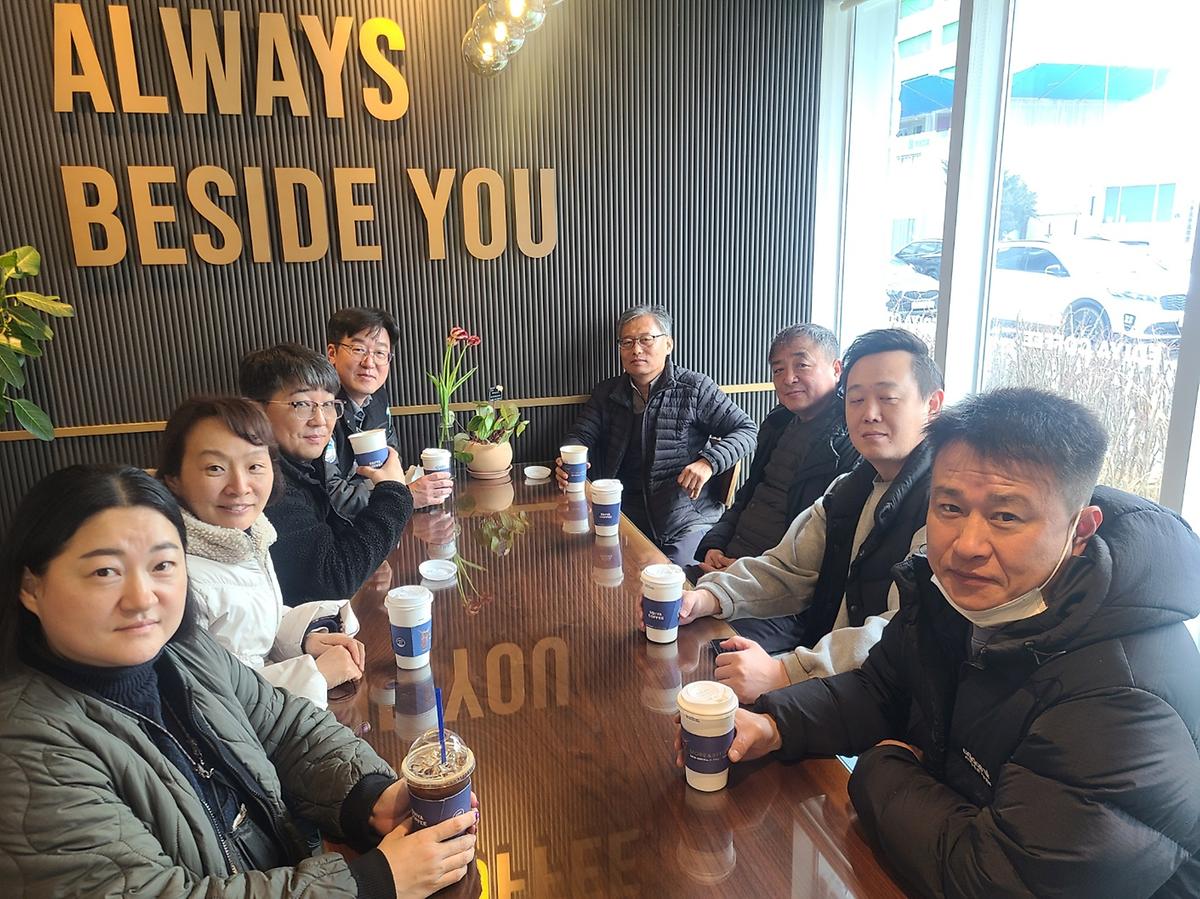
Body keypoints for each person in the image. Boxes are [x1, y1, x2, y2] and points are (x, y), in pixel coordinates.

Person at [708, 388, 1200, 897]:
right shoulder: (954, 595)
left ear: (1081, 530)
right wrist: (775, 724)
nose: (966, 545)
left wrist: (882, 768)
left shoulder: (1125, 696)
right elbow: (881, 688)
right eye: (949, 507)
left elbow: (996, 882)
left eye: (1006, 516)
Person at [0, 465, 477, 897]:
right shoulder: (26, 750)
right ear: (30, 587)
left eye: (162, 565)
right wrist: (371, 883)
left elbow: (284, 728)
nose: (141, 597)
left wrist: (369, 798)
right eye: (105, 571)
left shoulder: (183, 651)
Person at [655, 328, 943, 702]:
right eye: (856, 399)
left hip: (891, 702)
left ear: (932, 404)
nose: (869, 414)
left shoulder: (947, 505)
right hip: (837, 678)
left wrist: (786, 672)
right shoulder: (849, 487)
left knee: (700, 679)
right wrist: (707, 597)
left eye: (887, 398)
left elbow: (902, 629)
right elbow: (789, 568)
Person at [157, 395, 367, 707]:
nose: (240, 486)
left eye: (255, 465)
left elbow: (250, 624)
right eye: (215, 468)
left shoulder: (248, 536)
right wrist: (315, 676)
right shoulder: (170, 576)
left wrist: (304, 639)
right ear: (174, 479)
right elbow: (205, 703)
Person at [557, 305, 758, 566]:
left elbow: (746, 430)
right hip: (624, 517)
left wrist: (708, 462)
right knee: (586, 568)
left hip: (685, 520)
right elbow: (579, 435)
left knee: (673, 581)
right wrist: (570, 460)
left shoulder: (694, 388)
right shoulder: (607, 393)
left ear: (668, 344)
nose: (636, 350)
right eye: (627, 342)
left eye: (646, 339)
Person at [239, 343, 414, 606]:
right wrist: (394, 492)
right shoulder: (262, 484)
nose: (320, 420)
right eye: (302, 404)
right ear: (256, 410)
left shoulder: (302, 465)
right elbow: (332, 580)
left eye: (329, 404)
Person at [693, 324, 859, 576]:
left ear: (837, 369)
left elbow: (824, 546)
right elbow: (748, 494)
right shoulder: (778, 423)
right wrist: (715, 544)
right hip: (731, 563)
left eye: (802, 365)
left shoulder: (851, 441)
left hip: (773, 582)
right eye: (778, 369)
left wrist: (747, 573)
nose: (788, 379)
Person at [324, 308, 453, 518]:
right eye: (358, 349)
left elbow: (391, 454)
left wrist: (400, 491)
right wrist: (406, 496)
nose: (369, 363)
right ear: (332, 353)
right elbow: (330, 495)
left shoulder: (378, 397)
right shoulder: (320, 408)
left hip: (376, 520)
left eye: (380, 353)